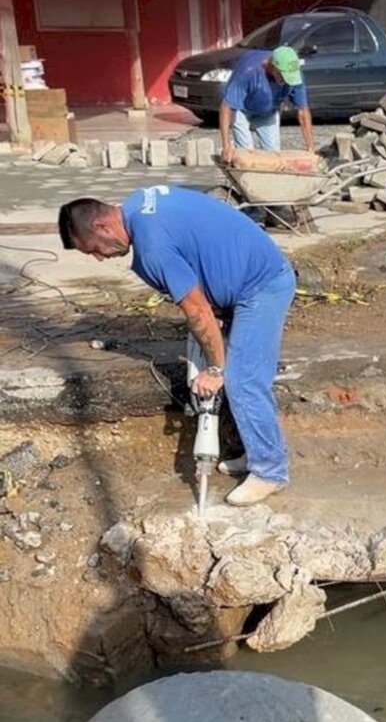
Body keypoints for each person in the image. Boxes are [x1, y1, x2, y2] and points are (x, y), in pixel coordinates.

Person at [58, 186, 296, 507]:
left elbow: (196, 311)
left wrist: (214, 369)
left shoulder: (152, 247)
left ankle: (269, 471)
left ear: (102, 226)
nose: (99, 257)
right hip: (246, 278)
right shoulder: (140, 204)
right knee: (237, 371)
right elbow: (196, 249)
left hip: (261, 286)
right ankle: (256, 451)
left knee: (242, 379)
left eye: (93, 250)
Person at [219, 45, 315, 163]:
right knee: (246, 155)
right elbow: (227, 107)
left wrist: (310, 147)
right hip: (242, 110)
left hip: (268, 111)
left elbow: (303, 111)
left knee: (274, 157)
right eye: (283, 76)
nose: (286, 81)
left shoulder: (294, 72)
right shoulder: (248, 70)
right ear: (273, 66)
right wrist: (226, 145)